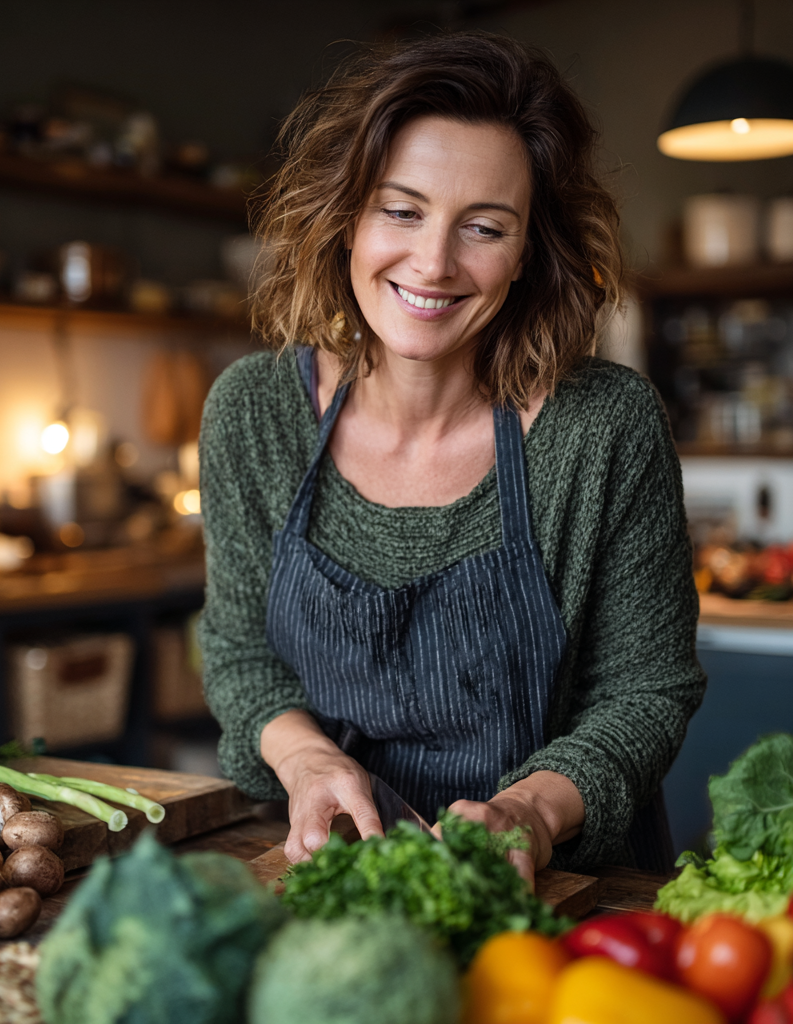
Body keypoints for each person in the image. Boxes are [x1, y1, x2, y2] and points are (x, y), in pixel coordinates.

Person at [197, 31, 705, 885]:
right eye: (401, 209)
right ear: (344, 216)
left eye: (484, 227)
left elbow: (646, 693)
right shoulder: (254, 414)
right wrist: (308, 766)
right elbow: (241, 655)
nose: (432, 263)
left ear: (528, 254)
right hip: (329, 874)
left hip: (559, 893)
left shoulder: (604, 428)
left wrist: (531, 812)